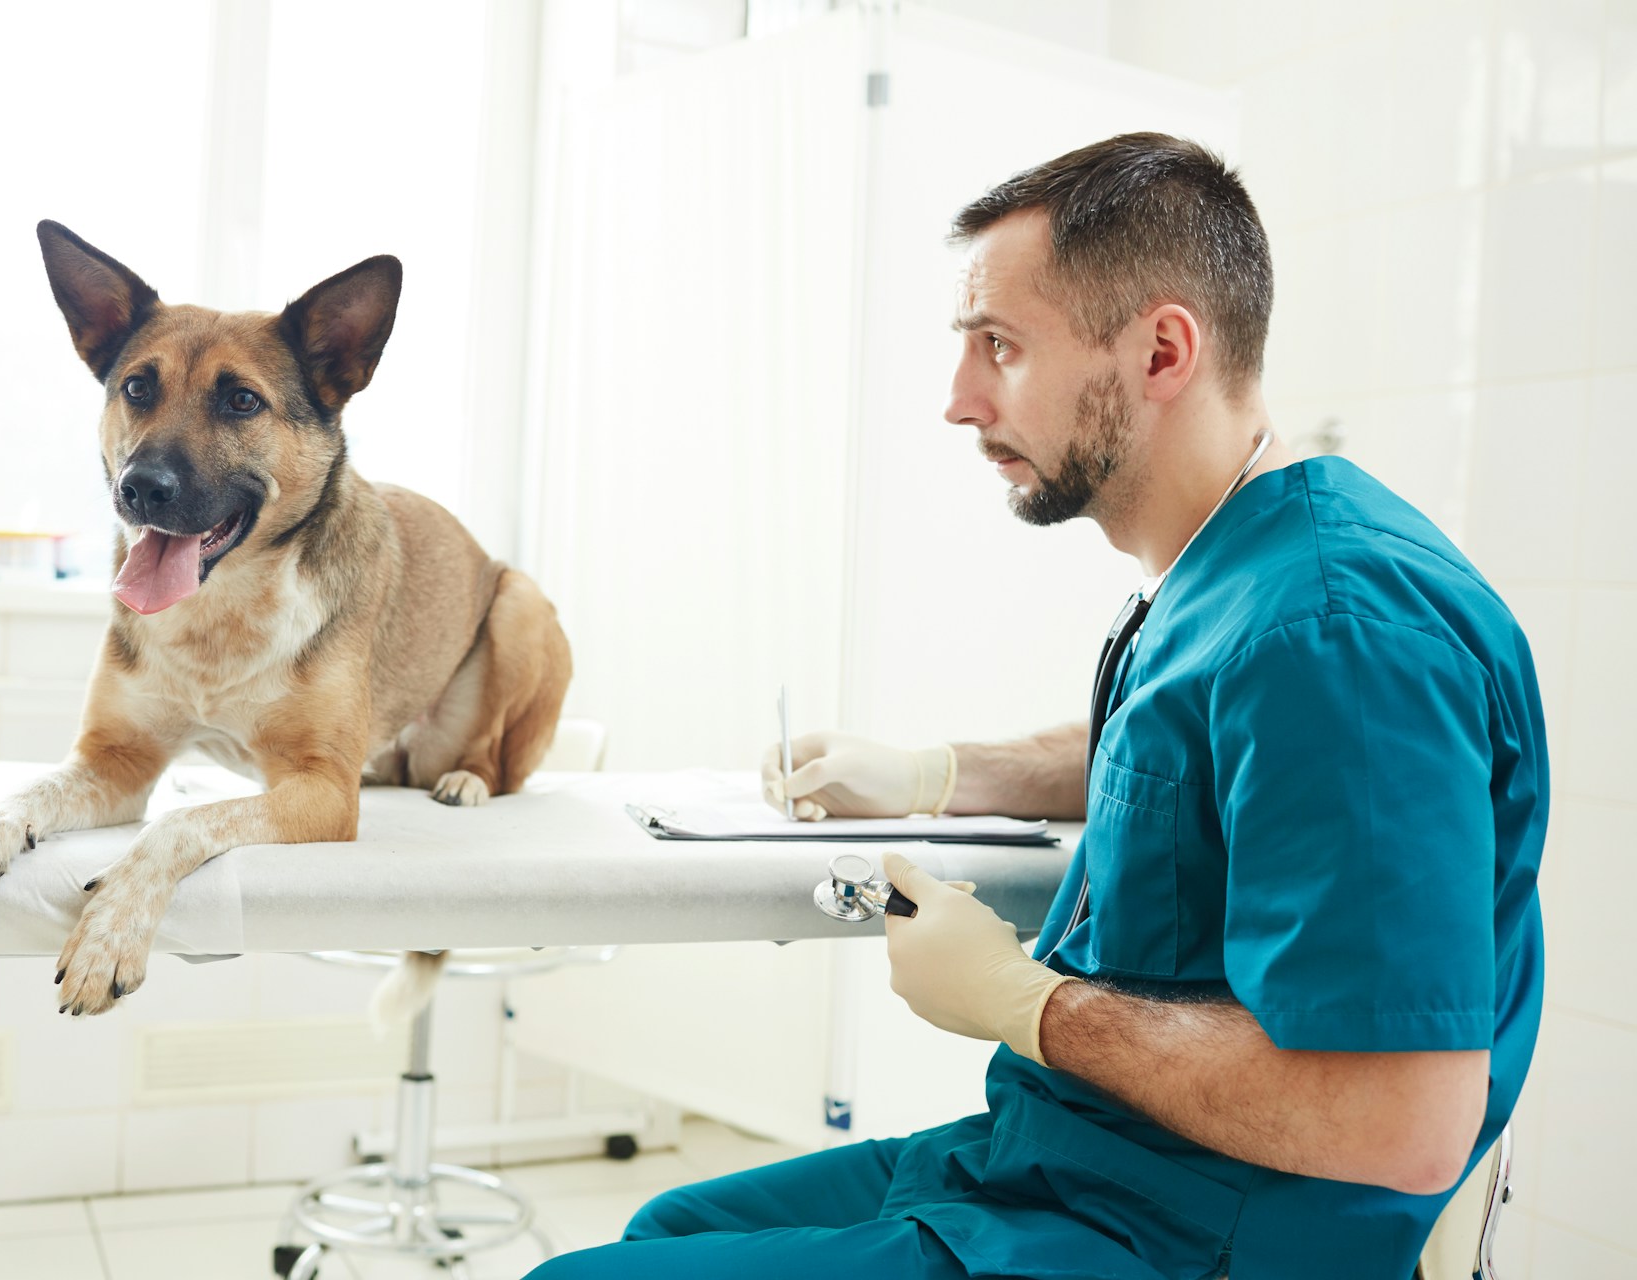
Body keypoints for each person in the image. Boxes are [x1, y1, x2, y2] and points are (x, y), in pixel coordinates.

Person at [526, 133, 1545, 1279]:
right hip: (1079, 1159)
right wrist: (932, 774)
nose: (961, 400)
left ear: (1163, 350)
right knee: (669, 1231)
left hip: (1190, 1232)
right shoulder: (1235, 567)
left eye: (1000, 347)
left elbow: (1399, 1121)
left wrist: (1030, 1003)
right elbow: (1179, 761)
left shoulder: (1338, 634)